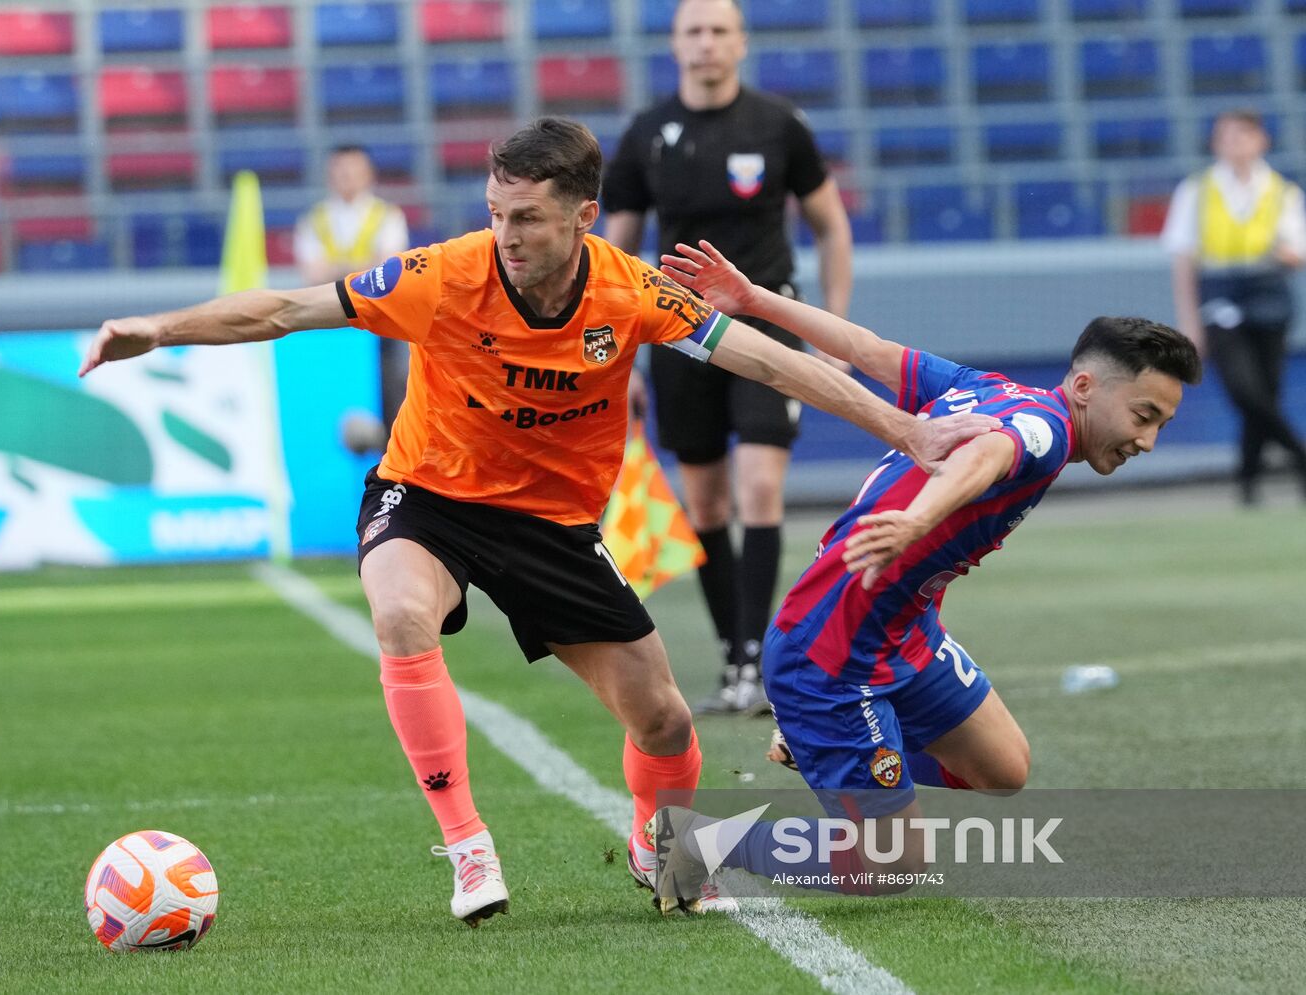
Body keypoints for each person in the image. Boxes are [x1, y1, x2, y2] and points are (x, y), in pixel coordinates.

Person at [78, 118, 994, 927]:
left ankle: (659, 845)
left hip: (554, 527)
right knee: (400, 613)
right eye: (495, 212)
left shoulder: (630, 292)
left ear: (583, 215)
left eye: (527, 218)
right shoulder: (442, 274)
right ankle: (467, 845)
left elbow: (768, 362)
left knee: (666, 720)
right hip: (428, 497)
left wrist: (907, 426)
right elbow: (285, 307)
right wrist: (157, 329)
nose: (505, 234)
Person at [646, 240, 1201, 912]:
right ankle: (692, 841)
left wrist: (758, 301)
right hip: (832, 651)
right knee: (886, 864)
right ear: (1085, 386)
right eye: (1144, 417)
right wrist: (918, 517)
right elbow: (989, 455)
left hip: (903, 631)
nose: (1147, 442)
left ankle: (820, 750)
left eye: (1161, 425)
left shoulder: (991, 387)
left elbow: (869, 348)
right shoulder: (1046, 430)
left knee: (1002, 770)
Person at [603, 0, 854, 716]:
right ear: (675, 45)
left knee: (759, 489)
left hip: (768, 324)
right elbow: (614, 255)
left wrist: (833, 327)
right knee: (707, 500)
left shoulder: (779, 125)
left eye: (719, 31)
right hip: (680, 333)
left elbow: (832, 228)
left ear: (741, 43)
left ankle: (764, 661)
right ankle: (737, 659)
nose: (706, 43)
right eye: (693, 31)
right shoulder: (647, 134)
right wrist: (620, 357)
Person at [1162, 108, 1306, 506]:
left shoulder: (1282, 191)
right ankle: (1299, 456)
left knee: (1266, 394)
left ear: (1261, 140)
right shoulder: (1197, 190)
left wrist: (1290, 254)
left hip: (1268, 294)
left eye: (1242, 135)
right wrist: (1189, 321)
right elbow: (1183, 260)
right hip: (1221, 292)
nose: (1233, 144)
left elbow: (1297, 247)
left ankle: (1248, 484)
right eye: (1225, 136)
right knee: (1245, 392)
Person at [295, 144, 412, 445]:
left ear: (368, 174)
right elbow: (311, 273)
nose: (346, 177)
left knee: (387, 395)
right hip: (330, 325)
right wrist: (364, 267)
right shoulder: (314, 220)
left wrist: (337, 269)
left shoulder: (387, 215)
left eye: (353, 170)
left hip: (378, 324)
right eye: (340, 170)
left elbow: (390, 267)